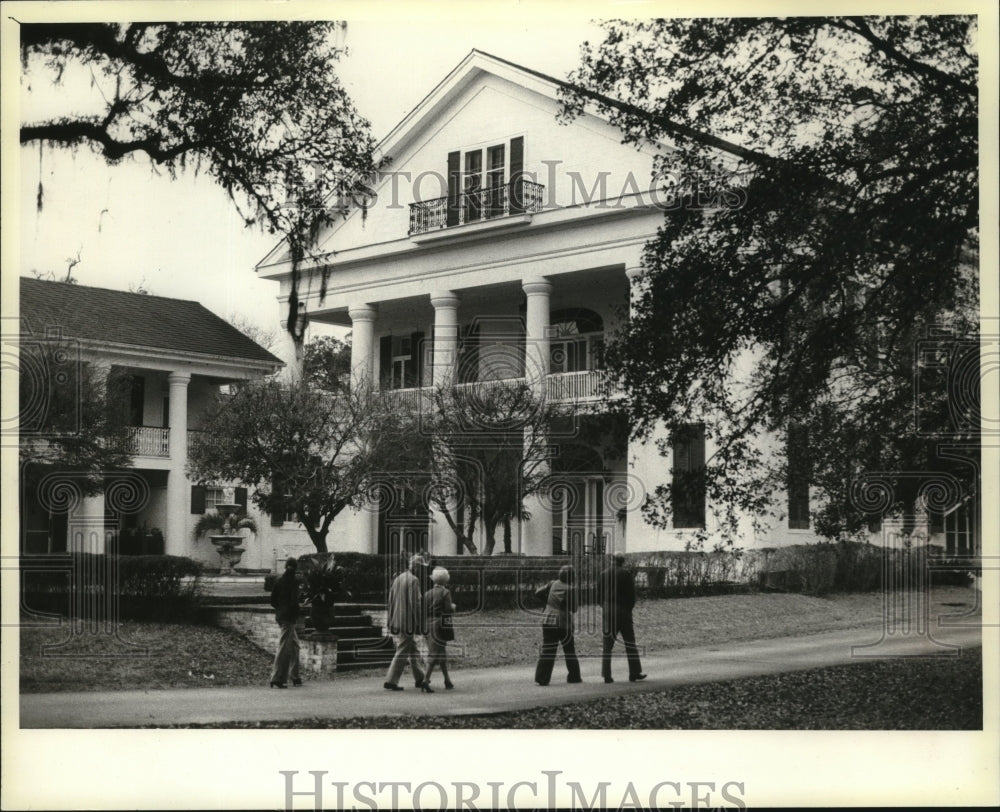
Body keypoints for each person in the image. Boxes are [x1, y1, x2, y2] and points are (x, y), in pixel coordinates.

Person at [383, 553, 428, 691]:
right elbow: (415, 603)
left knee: (411, 648)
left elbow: (390, 601)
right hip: (407, 622)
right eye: (422, 567)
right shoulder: (414, 580)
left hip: (397, 619)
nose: (424, 570)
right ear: (417, 567)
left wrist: (390, 619)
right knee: (403, 649)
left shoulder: (398, 578)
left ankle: (420, 678)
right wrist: (420, 622)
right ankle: (391, 681)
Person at [599, 553, 646, 683]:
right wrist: (628, 608)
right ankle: (634, 672)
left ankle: (607, 675)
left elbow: (598, 595)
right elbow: (631, 596)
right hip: (623, 610)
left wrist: (605, 607)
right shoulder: (626, 574)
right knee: (629, 642)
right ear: (622, 561)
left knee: (607, 644)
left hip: (608, 610)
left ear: (612, 560)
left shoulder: (603, 574)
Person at [534, 564, 582, 686]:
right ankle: (574, 676)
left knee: (548, 649)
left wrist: (549, 603)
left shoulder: (552, 584)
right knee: (569, 649)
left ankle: (542, 678)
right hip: (563, 621)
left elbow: (538, 592)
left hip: (548, 618)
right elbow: (574, 608)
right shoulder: (571, 589)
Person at [269, 557, 302, 688]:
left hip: (281, 615)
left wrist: (280, 608)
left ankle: (295, 676)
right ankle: (277, 678)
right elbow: (294, 601)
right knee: (284, 647)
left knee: (295, 645)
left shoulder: (279, 581)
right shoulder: (294, 582)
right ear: (296, 568)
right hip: (290, 617)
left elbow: (273, 600)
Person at [422, 566, 456, 692]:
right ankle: (425, 680)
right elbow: (447, 609)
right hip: (440, 624)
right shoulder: (445, 593)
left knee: (440, 651)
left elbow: (423, 610)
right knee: (436, 652)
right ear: (445, 580)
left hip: (427, 623)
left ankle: (447, 680)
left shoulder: (427, 594)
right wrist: (453, 607)